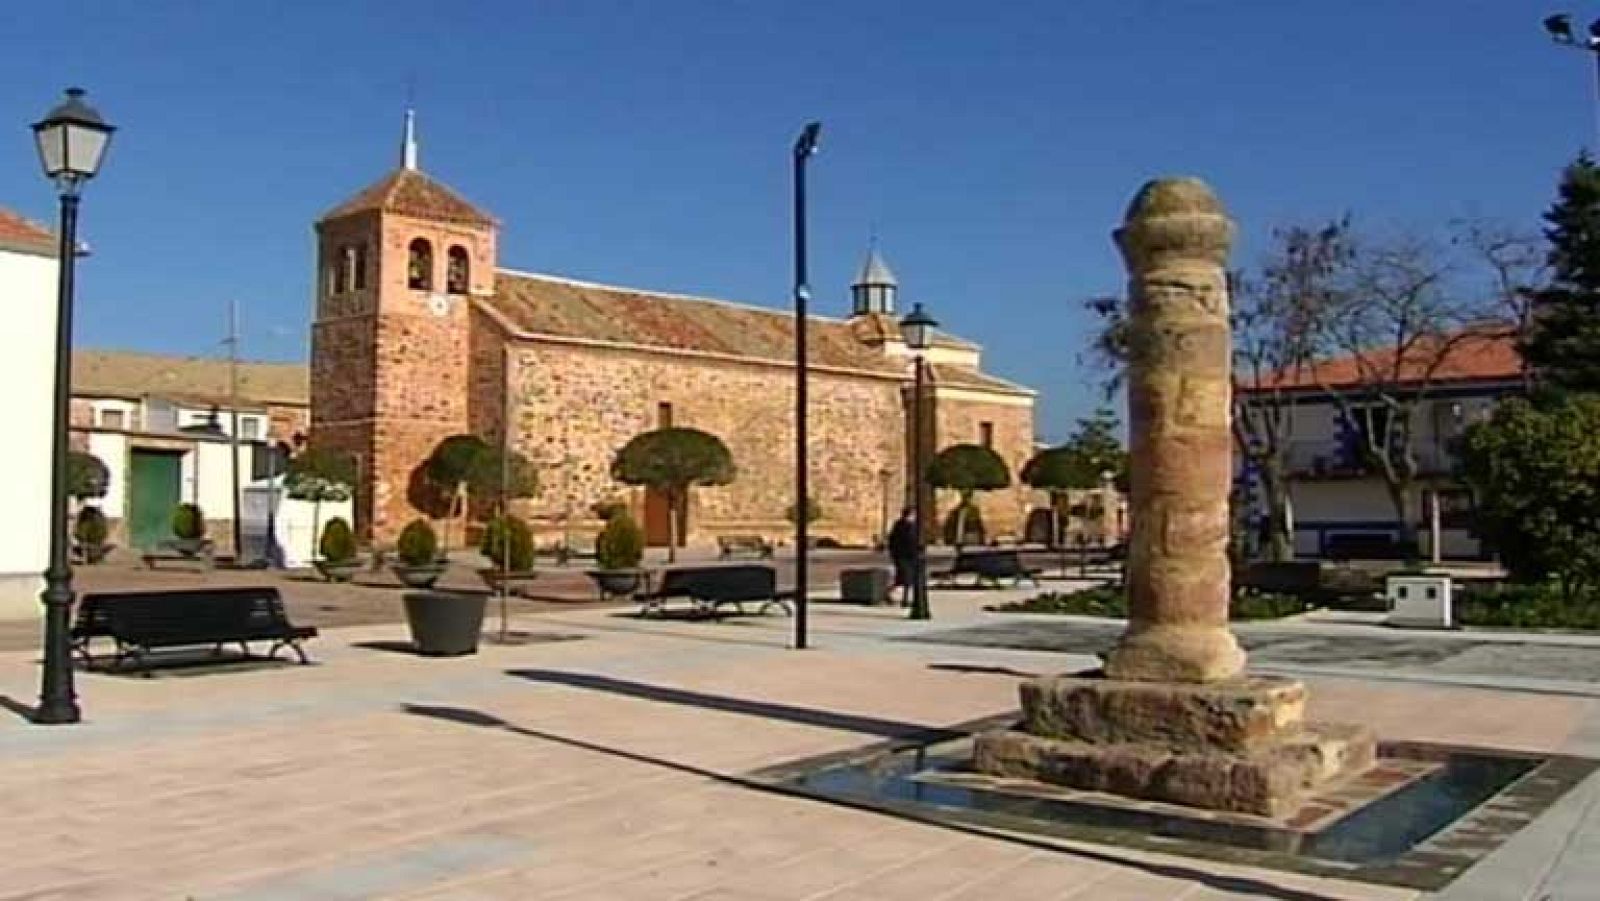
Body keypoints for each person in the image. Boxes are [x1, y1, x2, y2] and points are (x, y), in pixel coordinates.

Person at [886, 507, 919, 607]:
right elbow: (909, 541)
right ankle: (901, 598)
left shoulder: (904, 525)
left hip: (905, 556)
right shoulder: (905, 526)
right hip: (904, 556)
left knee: (904, 579)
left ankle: (899, 597)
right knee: (905, 578)